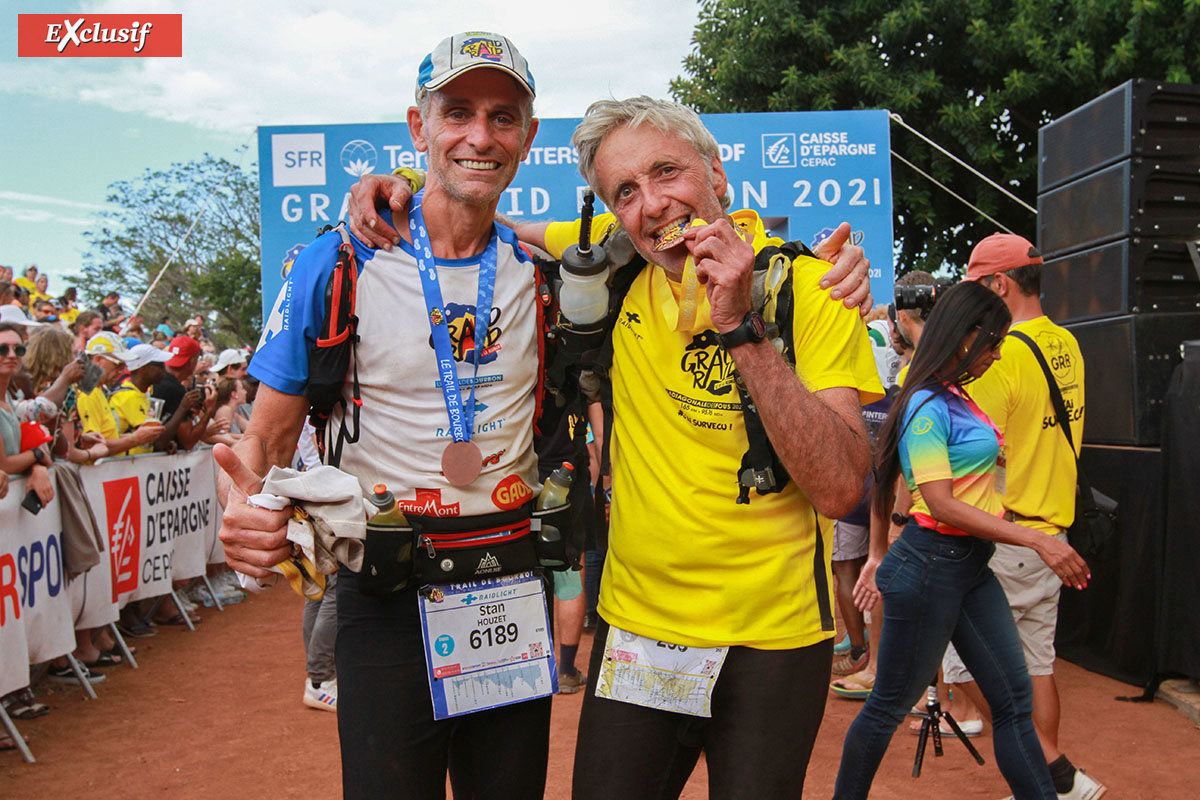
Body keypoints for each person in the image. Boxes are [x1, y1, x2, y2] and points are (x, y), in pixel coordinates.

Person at [833, 281, 1091, 800]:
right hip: (929, 569)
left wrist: (878, 552)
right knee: (887, 706)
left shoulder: (957, 396)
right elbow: (941, 502)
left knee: (1015, 702)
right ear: (964, 334)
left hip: (970, 568)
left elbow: (899, 479)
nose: (997, 355)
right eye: (992, 342)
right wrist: (1037, 540)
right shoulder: (926, 402)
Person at [950, 233, 1104, 800]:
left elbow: (967, 447)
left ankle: (1058, 775)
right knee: (1039, 666)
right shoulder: (1066, 343)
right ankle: (1046, 787)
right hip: (1050, 535)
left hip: (1006, 535)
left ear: (999, 284)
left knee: (974, 671)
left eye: (977, 288)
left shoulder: (1002, 353)